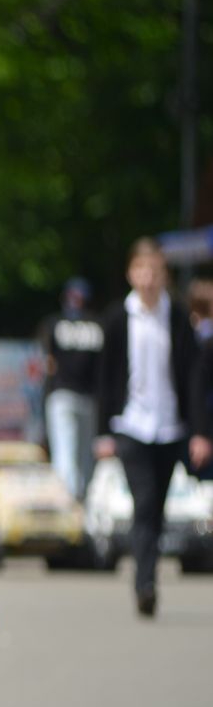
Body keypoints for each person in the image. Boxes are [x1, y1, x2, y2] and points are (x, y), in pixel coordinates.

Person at [94, 239, 213, 618]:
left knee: (157, 507)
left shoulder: (177, 317)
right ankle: (144, 584)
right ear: (131, 274)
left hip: (171, 427)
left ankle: (148, 575)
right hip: (130, 425)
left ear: (164, 276)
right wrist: (103, 433)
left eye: (155, 272)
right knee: (144, 504)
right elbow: (105, 376)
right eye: (141, 271)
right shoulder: (117, 318)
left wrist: (200, 432)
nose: (148, 280)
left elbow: (195, 379)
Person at [35, 278, 105, 501]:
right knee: (83, 460)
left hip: (65, 394)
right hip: (86, 396)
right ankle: (82, 508)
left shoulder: (54, 323)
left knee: (68, 458)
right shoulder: (97, 324)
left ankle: (71, 511)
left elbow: (48, 364)